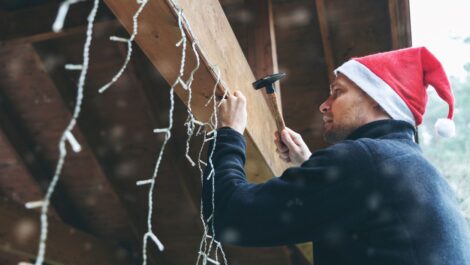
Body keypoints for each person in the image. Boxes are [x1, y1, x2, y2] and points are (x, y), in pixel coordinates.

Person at [202, 47, 470, 264]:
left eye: (337, 92)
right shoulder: (417, 170)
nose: (323, 105)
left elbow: (227, 214)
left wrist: (229, 132)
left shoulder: (362, 161)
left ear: (379, 99)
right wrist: (310, 166)